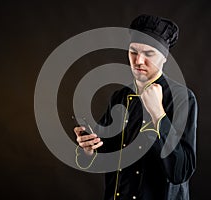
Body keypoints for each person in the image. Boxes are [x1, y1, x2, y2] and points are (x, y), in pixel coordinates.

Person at [74, 14, 198, 200]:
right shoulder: (120, 96)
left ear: (164, 58)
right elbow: (103, 156)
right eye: (133, 51)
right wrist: (88, 149)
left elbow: (180, 173)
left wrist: (158, 115)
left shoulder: (182, 97)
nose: (138, 61)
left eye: (149, 54)